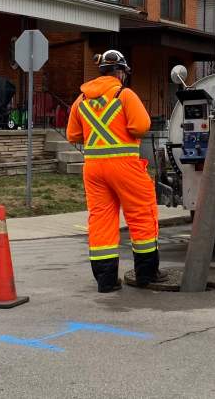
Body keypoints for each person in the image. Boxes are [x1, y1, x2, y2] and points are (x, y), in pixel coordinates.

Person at [66, 50, 164, 292]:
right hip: (125, 166)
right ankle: (146, 274)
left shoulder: (81, 100)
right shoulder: (124, 95)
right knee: (141, 214)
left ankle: (106, 280)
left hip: (93, 169)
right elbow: (140, 126)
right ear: (120, 73)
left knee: (101, 219)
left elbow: (73, 135)